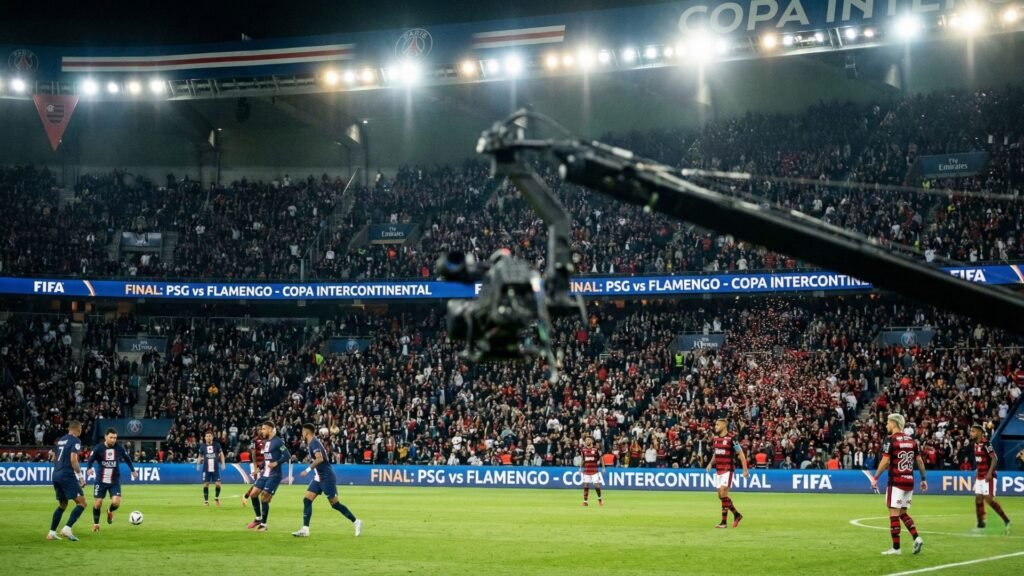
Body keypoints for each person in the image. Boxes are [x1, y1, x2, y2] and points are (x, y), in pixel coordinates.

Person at [292, 423, 362, 537]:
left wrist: (307, 470)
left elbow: (320, 459)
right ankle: (305, 529)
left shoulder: (314, 442)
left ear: (306, 432)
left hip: (326, 477)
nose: (302, 434)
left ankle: (356, 521)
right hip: (318, 477)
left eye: (303, 432)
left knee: (335, 504)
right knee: (307, 500)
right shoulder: (312, 442)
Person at [870, 414, 926, 556]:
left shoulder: (891, 440)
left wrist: (875, 477)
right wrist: (924, 479)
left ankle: (896, 548)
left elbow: (885, 461)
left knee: (893, 514)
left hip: (896, 481)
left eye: (888, 422)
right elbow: (919, 461)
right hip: (909, 481)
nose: (886, 425)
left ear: (894, 424)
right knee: (903, 513)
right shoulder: (912, 441)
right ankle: (917, 537)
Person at [85, 427, 138, 532]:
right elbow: (90, 459)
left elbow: (127, 458)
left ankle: (110, 510)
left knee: (116, 503)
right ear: (105, 437)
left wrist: (133, 470)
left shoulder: (119, 448)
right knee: (98, 503)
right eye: (111, 437)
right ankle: (96, 524)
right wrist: (89, 468)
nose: (113, 440)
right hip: (101, 480)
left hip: (114, 480)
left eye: (115, 438)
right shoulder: (98, 448)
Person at [48, 420, 88, 541]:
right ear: (79, 430)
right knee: (82, 503)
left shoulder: (61, 440)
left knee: (62, 504)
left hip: (56, 474)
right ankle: (67, 528)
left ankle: (51, 533)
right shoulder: (76, 440)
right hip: (67, 475)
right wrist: (80, 476)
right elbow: (73, 460)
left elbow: (53, 457)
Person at [246, 421, 290, 532]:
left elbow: (287, 455)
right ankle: (258, 518)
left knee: (264, 497)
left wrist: (276, 463)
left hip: (274, 475)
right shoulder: (265, 442)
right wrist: (258, 469)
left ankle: (264, 525)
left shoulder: (278, 442)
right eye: (262, 429)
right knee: (253, 494)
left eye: (264, 429)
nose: (262, 431)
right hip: (264, 474)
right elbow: (266, 459)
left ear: (270, 429)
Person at [705, 418, 749, 528]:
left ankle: (723, 523)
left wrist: (745, 470)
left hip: (728, 468)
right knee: (721, 495)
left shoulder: (732, 438)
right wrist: (710, 463)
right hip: (718, 469)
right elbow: (716, 453)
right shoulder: (715, 439)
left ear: (724, 425)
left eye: (717, 424)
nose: (715, 426)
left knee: (724, 492)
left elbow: (741, 453)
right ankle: (737, 515)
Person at [970, 424, 1011, 534]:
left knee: (988, 499)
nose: (971, 433)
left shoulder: (986, 444)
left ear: (979, 432)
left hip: (988, 476)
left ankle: (1006, 520)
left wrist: (989, 473)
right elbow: (980, 460)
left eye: (973, 431)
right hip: (979, 475)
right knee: (978, 498)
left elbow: (994, 459)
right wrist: (977, 472)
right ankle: (980, 522)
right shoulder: (975, 444)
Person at [196, 431, 226, 506]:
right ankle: (206, 501)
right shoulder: (202, 446)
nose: (208, 437)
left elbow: (221, 454)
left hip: (215, 468)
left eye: (210, 436)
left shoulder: (217, 445)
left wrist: (223, 463)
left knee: (218, 484)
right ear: (205, 438)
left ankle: (216, 498)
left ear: (212, 437)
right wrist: (198, 464)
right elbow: (199, 456)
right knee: (205, 484)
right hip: (206, 469)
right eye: (207, 436)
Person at [579, 436, 605, 507]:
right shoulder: (583, 450)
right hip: (586, 471)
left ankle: (600, 500)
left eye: (588, 440)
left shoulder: (596, 449)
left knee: (597, 486)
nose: (587, 441)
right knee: (586, 486)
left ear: (591, 441)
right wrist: (580, 468)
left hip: (594, 471)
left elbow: (601, 458)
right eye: (586, 440)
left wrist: (603, 468)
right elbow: (583, 460)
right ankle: (585, 502)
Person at [242, 434, 265, 509]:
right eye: (260, 429)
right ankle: (248, 497)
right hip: (257, 465)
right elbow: (253, 455)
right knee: (258, 484)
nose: (261, 431)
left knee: (260, 484)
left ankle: (246, 496)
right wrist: (255, 467)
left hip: (265, 465)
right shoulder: (254, 440)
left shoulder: (268, 439)